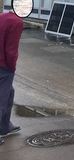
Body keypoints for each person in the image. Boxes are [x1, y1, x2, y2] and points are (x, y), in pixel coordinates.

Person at [0, 8, 24, 145]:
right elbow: (11, 50)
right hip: (4, 66)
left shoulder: (2, 17)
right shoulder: (17, 22)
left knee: (9, 93)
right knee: (2, 98)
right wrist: (12, 67)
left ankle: (4, 127)